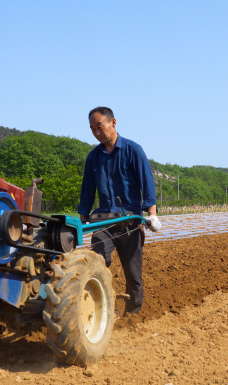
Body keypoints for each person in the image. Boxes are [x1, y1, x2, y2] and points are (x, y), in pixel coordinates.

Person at [78, 106, 161, 315]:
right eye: (92, 129)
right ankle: (102, 313)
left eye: (99, 127)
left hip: (129, 222)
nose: (97, 133)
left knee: (133, 274)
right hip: (103, 221)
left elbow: (146, 183)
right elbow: (87, 190)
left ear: (113, 123)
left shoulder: (133, 150)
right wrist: (81, 220)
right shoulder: (93, 157)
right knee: (95, 267)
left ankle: (133, 315)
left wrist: (152, 214)